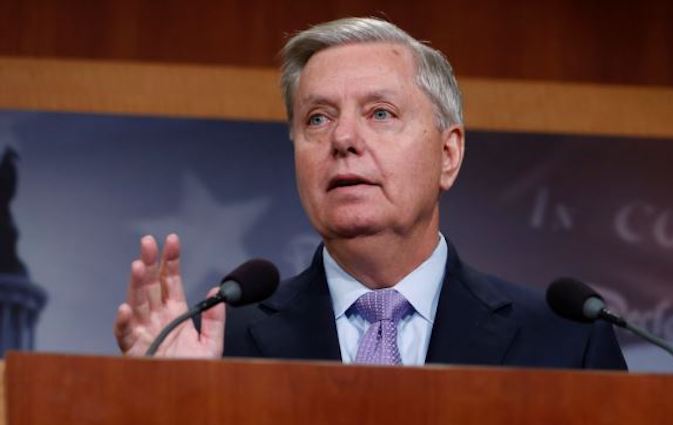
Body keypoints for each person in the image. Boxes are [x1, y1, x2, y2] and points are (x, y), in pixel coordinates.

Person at [113, 17, 625, 370]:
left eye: (380, 113)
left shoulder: (564, 340)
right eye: (318, 118)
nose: (343, 139)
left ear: (448, 154)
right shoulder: (216, 343)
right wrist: (173, 402)